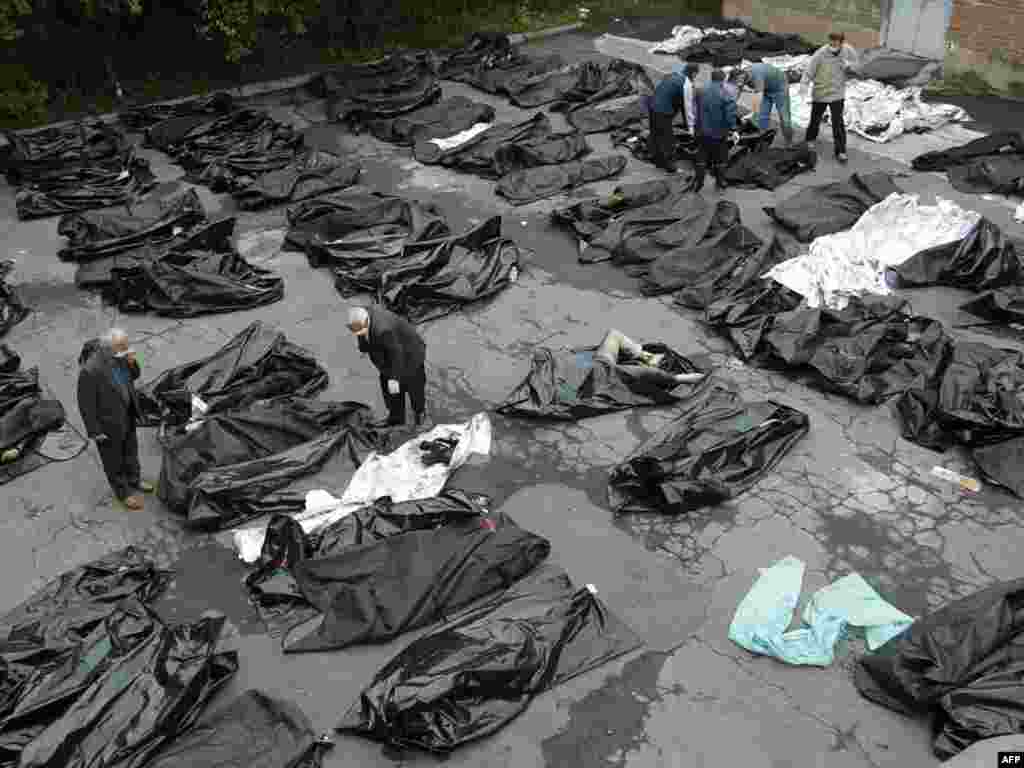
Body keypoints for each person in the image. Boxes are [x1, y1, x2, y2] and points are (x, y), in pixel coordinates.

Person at [77, 328, 152, 509]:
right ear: (107, 348)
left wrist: (133, 363)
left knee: (131, 450)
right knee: (113, 461)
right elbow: (85, 404)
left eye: (127, 346)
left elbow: (134, 376)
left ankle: (134, 480)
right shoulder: (91, 371)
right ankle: (123, 492)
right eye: (122, 347)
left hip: (127, 414)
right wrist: (95, 431)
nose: (127, 350)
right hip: (108, 425)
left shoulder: (121, 357)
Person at [347, 306, 429, 428]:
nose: (358, 333)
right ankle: (396, 418)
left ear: (366, 322)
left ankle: (420, 415)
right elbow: (360, 331)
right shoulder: (361, 315)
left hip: (410, 355)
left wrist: (395, 378)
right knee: (391, 390)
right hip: (388, 355)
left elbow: (396, 354)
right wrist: (363, 344)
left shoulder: (383, 330)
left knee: (414, 387)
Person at [801, 31, 859, 163]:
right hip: (821, 92)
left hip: (837, 93)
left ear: (841, 43)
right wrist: (804, 85)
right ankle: (810, 140)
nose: (832, 44)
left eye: (835, 42)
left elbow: (858, 65)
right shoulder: (821, 53)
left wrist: (850, 66)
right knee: (815, 118)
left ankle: (841, 151)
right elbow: (809, 70)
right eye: (830, 41)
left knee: (838, 122)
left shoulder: (848, 51)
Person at [595, 330, 706, 385]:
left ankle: (648, 357)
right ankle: (680, 378)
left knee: (614, 334)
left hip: (596, 367)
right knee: (621, 372)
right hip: (597, 374)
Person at [648, 62, 700, 173]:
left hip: (652, 105)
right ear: (694, 73)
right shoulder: (686, 84)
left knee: (656, 135)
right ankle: (671, 167)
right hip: (663, 111)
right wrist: (691, 128)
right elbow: (687, 108)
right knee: (668, 139)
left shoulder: (674, 75)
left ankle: (658, 161)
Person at [696, 69, 739, 192]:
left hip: (702, 130)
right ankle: (720, 182)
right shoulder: (726, 94)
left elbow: (695, 108)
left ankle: (699, 181)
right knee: (720, 156)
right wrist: (734, 130)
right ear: (723, 79)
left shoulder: (701, 90)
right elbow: (730, 115)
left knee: (702, 154)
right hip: (718, 132)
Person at [745, 62, 794, 146]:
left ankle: (789, 141)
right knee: (762, 116)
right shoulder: (741, 75)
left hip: (780, 88)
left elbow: (758, 97)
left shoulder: (757, 76)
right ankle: (762, 140)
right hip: (767, 88)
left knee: (784, 117)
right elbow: (737, 89)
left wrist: (753, 113)